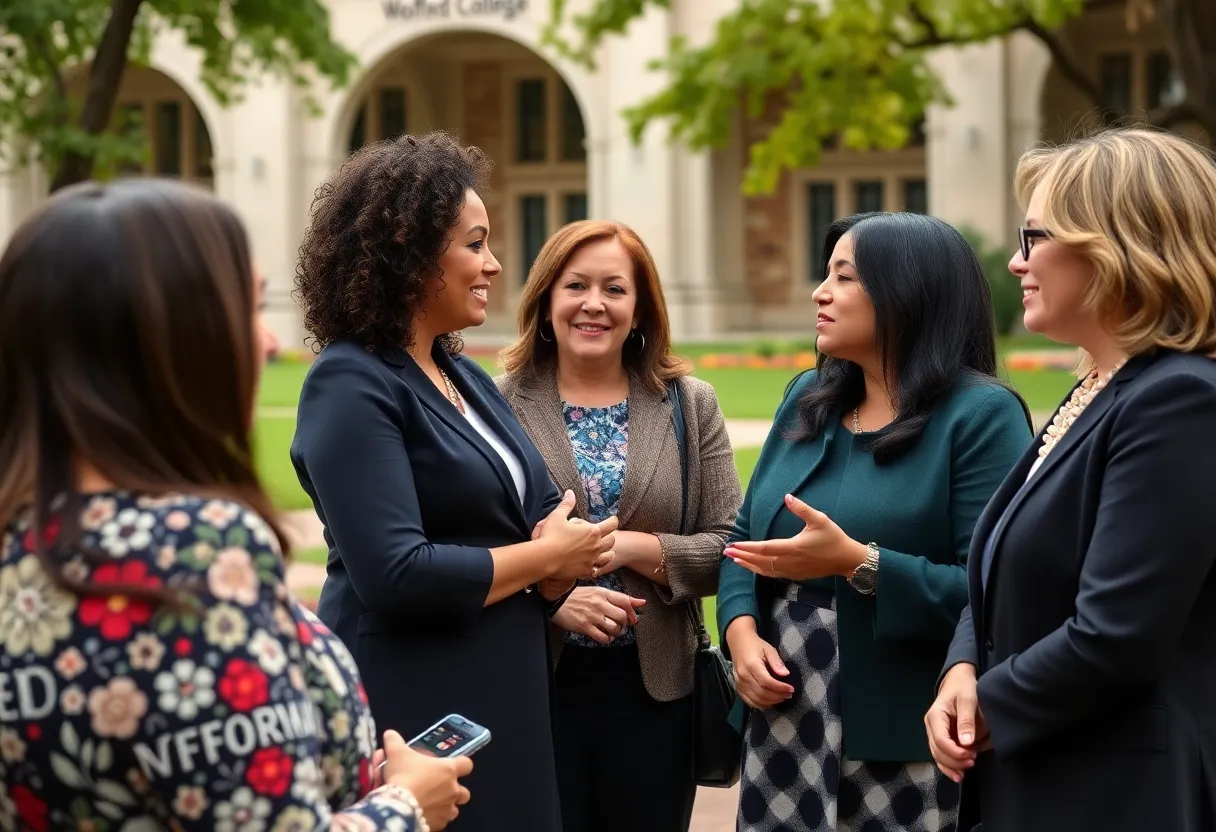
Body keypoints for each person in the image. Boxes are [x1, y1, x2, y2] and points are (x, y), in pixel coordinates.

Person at [0, 179, 471, 830]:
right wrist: (406, 804)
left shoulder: (24, 538)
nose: (270, 342)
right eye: (248, 308)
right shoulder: (195, 554)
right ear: (171, 342)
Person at [290, 132, 617, 832]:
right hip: (415, 704)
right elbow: (395, 572)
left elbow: (537, 510)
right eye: (475, 243)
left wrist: (553, 565)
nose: (494, 263)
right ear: (409, 254)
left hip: (506, 693)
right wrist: (545, 559)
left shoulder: (462, 374)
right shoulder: (350, 381)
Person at [927, 128, 1216, 832]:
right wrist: (960, 670)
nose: (1017, 262)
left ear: (1116, 247)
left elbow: (1119, 632)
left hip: (1119, 793)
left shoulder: (1179, 400)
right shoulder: (1101, 387)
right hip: (1048, 778)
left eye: (1034, 238)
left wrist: (992, 702)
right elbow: (1003, 569)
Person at [718, 212, 1032, 831]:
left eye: (844, 277)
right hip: (784, 717)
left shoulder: (980, 416)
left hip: (904, 729)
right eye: (825, 274)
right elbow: (742, 536)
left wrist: (859, 564)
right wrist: (741, 632)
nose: (820, 293)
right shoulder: (806, 397)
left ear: (907, 292)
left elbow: (996, 591)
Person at [497, 220, 743, 831]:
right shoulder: (496, 404)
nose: (594, 304)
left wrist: (630, 548)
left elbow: (731, 546)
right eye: (575, 285)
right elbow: (471, 547)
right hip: (533, 683)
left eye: (614, 289)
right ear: (546, 301)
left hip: (657, 693)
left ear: (640, 310)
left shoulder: (690, 403)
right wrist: (553, 600)